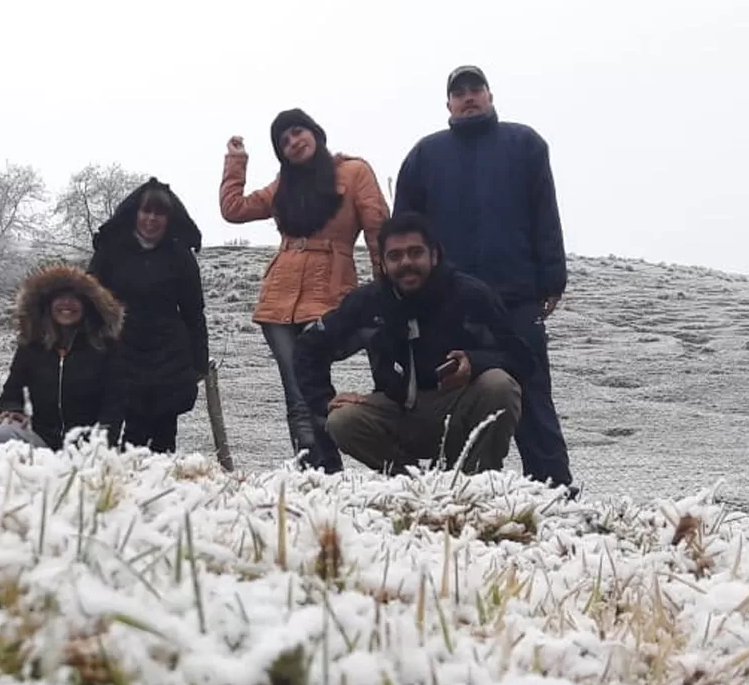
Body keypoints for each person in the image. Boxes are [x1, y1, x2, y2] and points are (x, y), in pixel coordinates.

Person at [393, 65, 577, 493]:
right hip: (447, 302)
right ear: (448, 104)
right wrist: (407, 285)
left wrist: (553, 278)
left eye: (476, 89)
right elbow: (404, 227)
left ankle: (553, 490)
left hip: (515, 297)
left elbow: (544, 213)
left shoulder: (525, 144)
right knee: (452, 390)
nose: (468, 97)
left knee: (532, 392)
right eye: (459, 92)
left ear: (490, 96)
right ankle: (457, 489)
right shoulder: (425, 155)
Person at [294, 211, 533, 476]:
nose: (406, 262)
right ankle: (409, 484)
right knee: (341, 420)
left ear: (434, 255)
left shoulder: (472, 296)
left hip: (459, 409)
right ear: (383, 264)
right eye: (395, 256)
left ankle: (471, 482)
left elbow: (521, 358)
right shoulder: (368, 302)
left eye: (415, 252)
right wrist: (325, 400)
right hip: (398, 411)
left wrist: (475, 362)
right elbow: (308, 348)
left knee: (499, 384)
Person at [219, 108, 389, 470]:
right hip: (278, 303)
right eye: (283, 141)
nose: (293, 142)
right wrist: (236, 161)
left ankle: (368, 456)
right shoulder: (284, 184)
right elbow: (234, 210)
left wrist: (385, 288)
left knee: (317, 382)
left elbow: (378, 231)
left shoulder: (354, 172)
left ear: (315, 132)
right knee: (297, 395)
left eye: (297, 132)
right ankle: (317, 474)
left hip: (331, 294)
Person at [86, 178, 208, 453]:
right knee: (118, 435)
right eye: (146, 211)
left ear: (168, 218)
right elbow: (90, 299)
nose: (151, 219)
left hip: (168, 356)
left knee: (163, 441)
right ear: (135, 214)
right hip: (121, 350)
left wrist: (198, 363)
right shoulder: (111, 251)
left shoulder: (181, 256)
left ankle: (160, 491)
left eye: (159, 213)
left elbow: (193, 312)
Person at [0, 263, 123, 449]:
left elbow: (114, 401)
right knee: (2, 430)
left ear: (87, 306)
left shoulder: (104, 347)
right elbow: (11, 391)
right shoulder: (32, 345)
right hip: (42, 440)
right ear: (48, 304)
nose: (66, 304)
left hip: (88, 445)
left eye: (75, 299)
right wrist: (12, 409)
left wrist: (103, 438)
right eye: (60, 298)